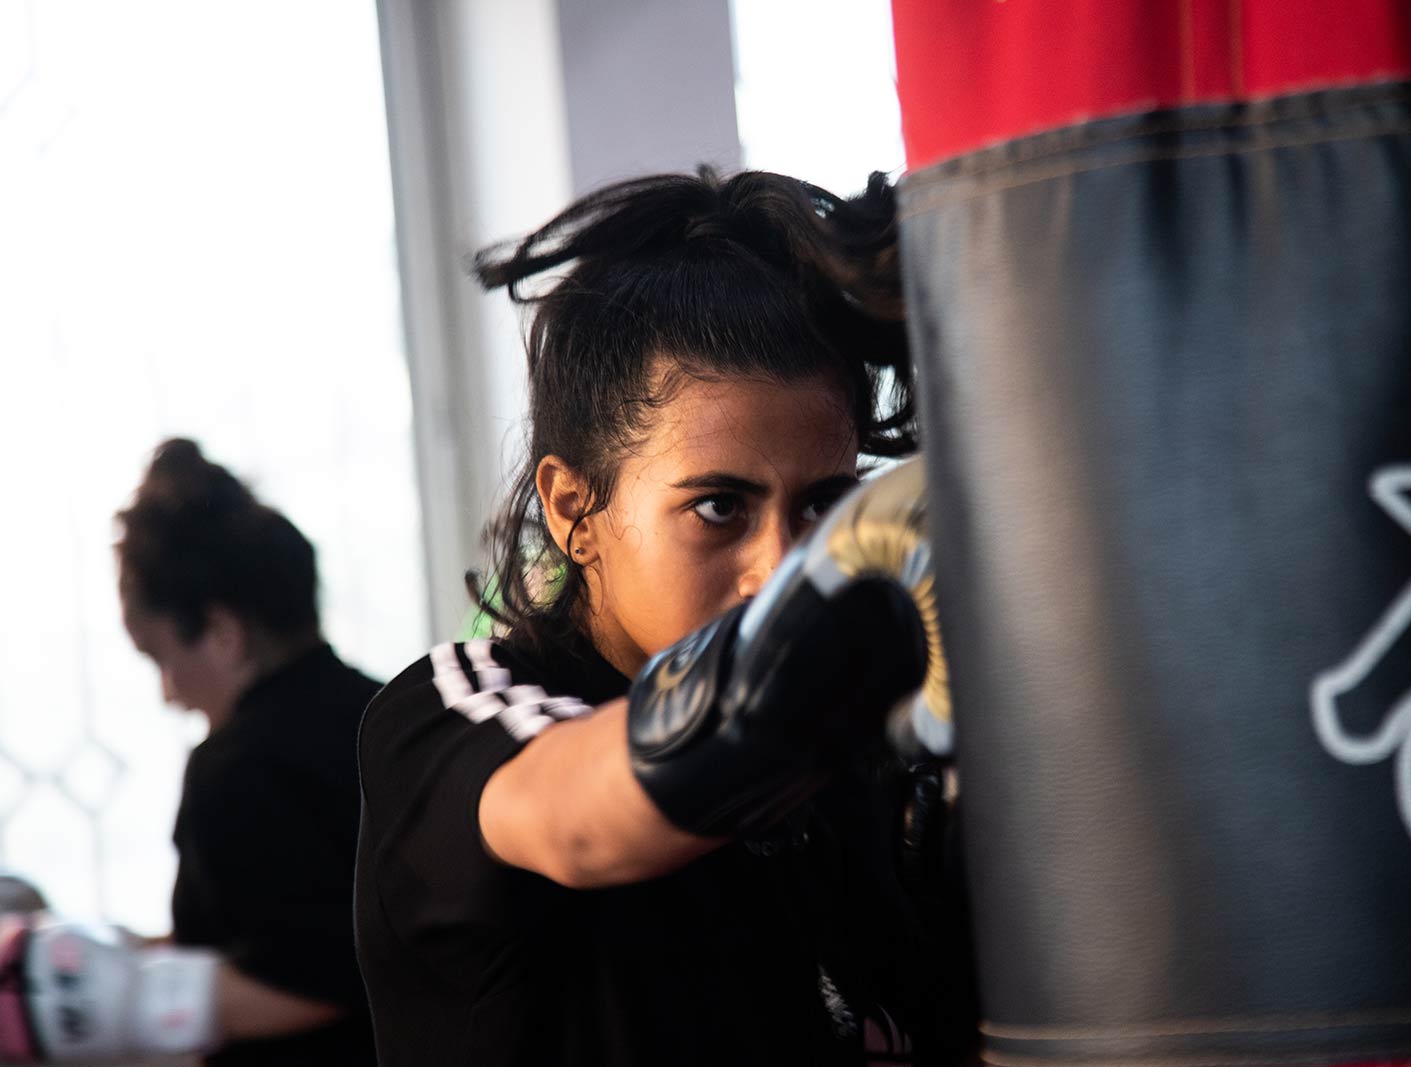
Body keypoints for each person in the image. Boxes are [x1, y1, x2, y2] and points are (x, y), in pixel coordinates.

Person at [355, 169, 970, 1066]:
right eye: (720, 507)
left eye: (824, 509)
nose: (782, 568)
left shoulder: (863, 769)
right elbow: (581, 815)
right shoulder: (448, 718)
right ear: (572, 508)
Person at [0, 440, 382, 1065]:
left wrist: (130, 1002)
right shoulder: (392, 713)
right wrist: (130, 960)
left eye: (162, 659)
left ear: (223, 635)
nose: (168, 693)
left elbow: (323, 973)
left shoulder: (234, 770)